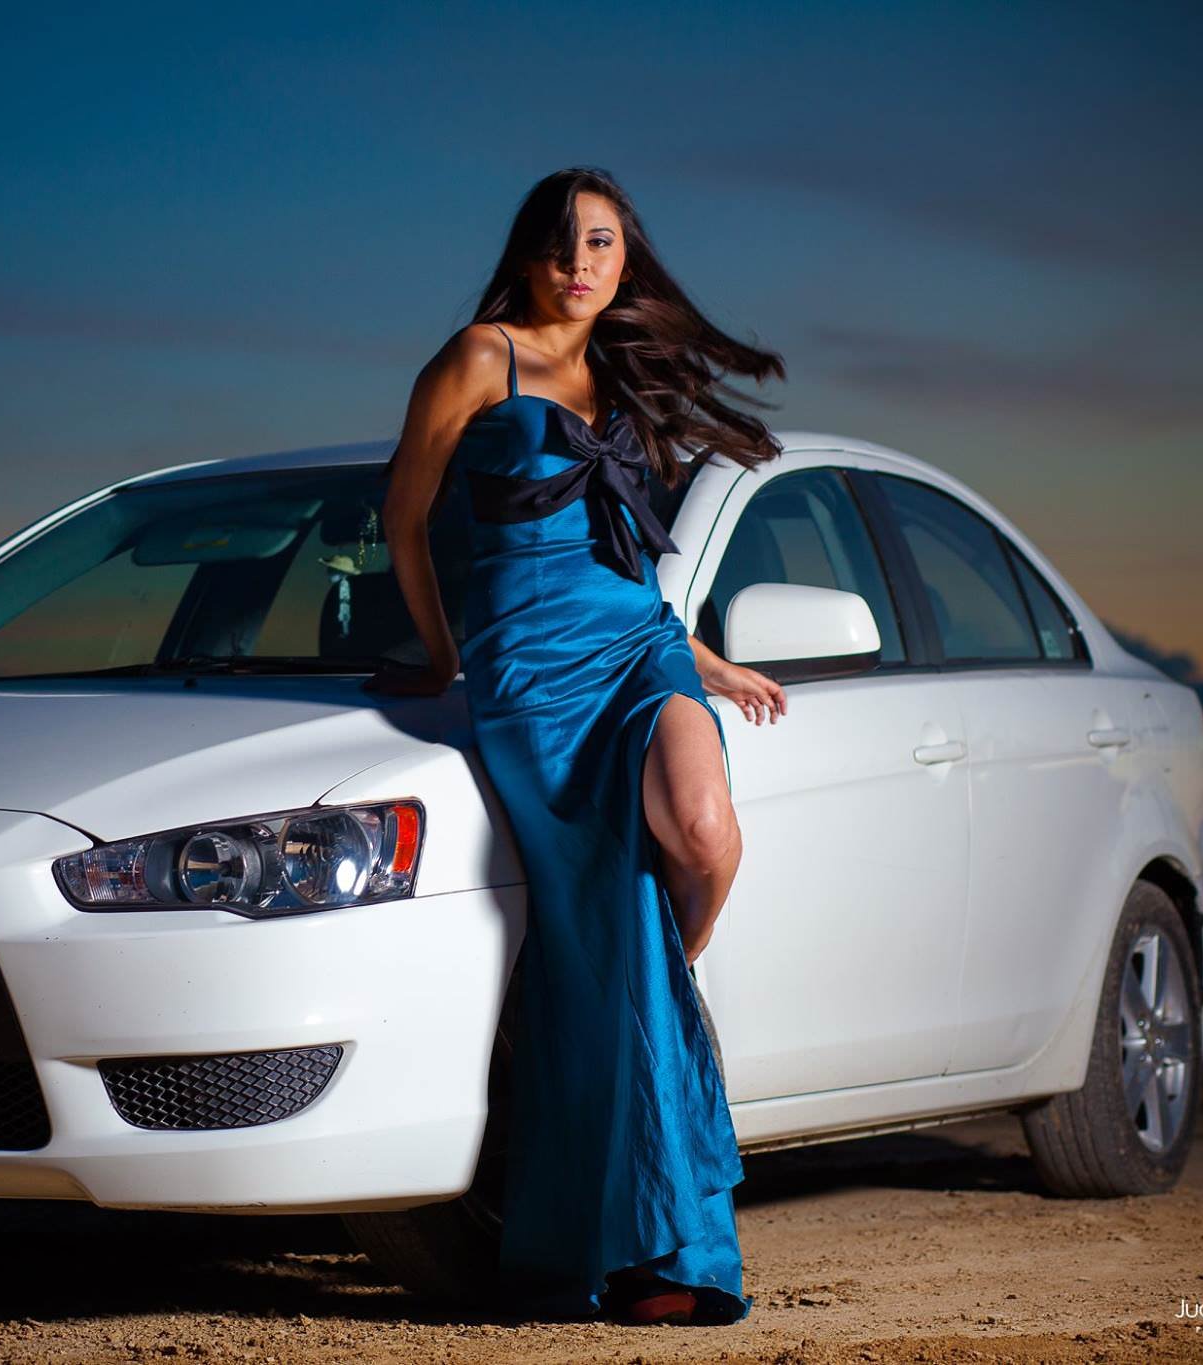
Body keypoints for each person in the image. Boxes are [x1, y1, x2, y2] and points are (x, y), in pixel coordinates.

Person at [369, 166, 789, 1325]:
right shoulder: (476, 355)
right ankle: (659, 1253)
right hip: (526, 675)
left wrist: (704, 661)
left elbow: (628, 567)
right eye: (560, 243)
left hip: (632, 649)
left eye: (600, 244)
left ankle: (646, 1003)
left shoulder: (621, 375)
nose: (579, 263)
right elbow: (403, 517)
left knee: (703, 832)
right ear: (529, 252)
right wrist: (447, 655)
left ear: (624, 260)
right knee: (598, 924)